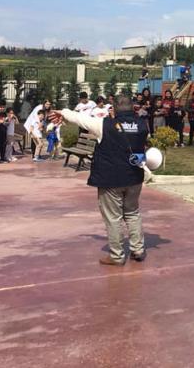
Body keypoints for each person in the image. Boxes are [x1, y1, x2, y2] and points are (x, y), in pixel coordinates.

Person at [50, 95, 148, 265]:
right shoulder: (142, 125)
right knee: (132, 213)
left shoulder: (104, 125)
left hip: (110, 179)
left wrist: (63, 112)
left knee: (113, 217)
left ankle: (117, 256)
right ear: (133, 108)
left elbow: (81, 119)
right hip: (134, 177)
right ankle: (137, 249)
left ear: (114, 109)